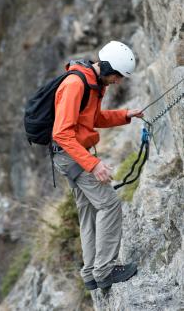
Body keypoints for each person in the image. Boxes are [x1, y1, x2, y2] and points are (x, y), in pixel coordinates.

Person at [52, 41, 143, 290]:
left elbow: (94, 119)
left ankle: (91, 272)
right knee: (110, 205)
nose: (117, 81)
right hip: (72, 156)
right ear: (106, 67)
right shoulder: (75, 84)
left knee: (90, 211)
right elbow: (62, 133)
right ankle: (105, 270)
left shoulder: (92, 84)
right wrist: (93, 165)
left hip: (72, 155)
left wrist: (125, 115)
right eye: (116, 76)